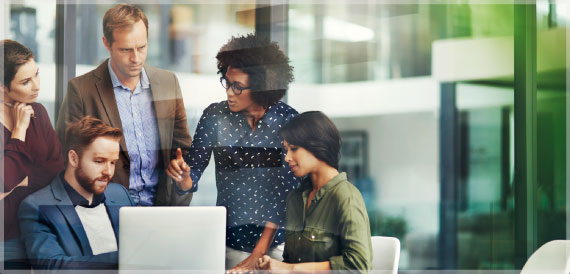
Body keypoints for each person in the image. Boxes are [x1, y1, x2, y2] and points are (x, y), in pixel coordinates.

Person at [167, 34, 299, 272]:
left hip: (278, 246)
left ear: (261, 87)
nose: (229, 92)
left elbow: (288, 196)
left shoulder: (288, 122)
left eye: (237, 87)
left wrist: (257, 255)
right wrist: (183, 176)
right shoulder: (214, 118)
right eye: (227, 82)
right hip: (230, 244)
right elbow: (193, 172)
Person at [55, 4, 192, 206]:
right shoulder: (81, 90)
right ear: (106, 43)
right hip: (105, 212)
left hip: (161, 210)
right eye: (126, 49)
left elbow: (184, 150)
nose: (136, 58)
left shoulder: (168, 82)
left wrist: (183, 174)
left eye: (142, 47)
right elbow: (65, 160)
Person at [257, 111, 372, 273]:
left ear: (317, 146)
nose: (287, 157)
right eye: (286, 150)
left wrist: (290, 269)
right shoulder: (294, 199)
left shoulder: (346, 197)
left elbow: (358, 265)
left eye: (294, 149)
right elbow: (291, 261)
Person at [18, 116, 135, 271]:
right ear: (73, 158)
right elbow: (53, 267)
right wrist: (128, 257)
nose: (109, 172)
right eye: (99, 161)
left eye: (113, 162)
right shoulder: (36, 207)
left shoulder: (120, 194)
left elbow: (143, 242)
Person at [1, 39, 65, 269]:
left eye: (36, 75)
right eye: (26, 82)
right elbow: (3, 181)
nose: (37, 86)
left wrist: (18, 183)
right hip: (5, 239)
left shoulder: (39, 112)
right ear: (2, 87)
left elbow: (55, 173)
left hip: (42, 229)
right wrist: (18, 132)